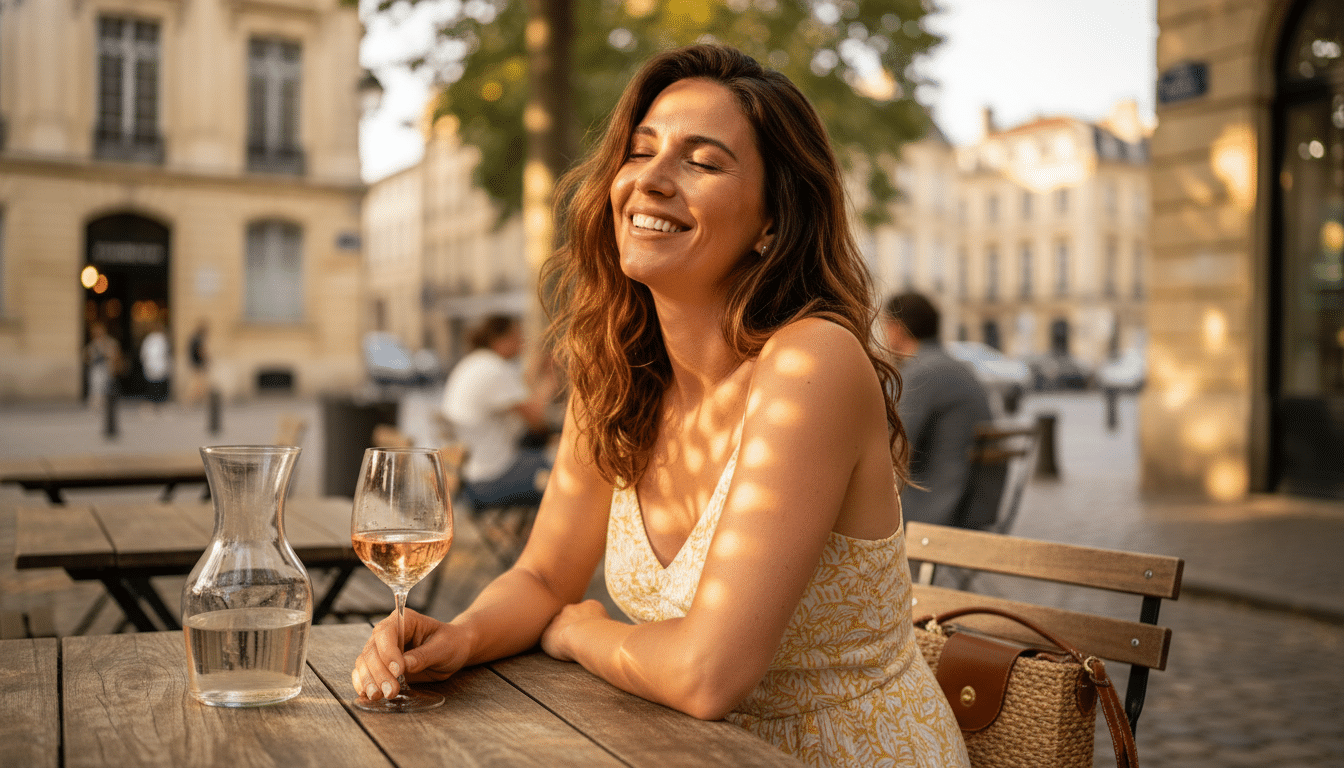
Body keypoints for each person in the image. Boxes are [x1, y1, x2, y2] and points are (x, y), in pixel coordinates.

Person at [355, 45, 969, 767]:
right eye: (640, 152)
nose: (651, 179)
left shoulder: (811, 364)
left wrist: (577, 632)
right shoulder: (619, 375)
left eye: (701, 162)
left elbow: (707, 675)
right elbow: (546, 576)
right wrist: (462, 635)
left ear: (773, 220)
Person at [882, 292, 995, 528]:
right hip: (974, 502)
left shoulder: (922, 372)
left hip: (934, 506)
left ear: (896, 329)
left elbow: (895, 447)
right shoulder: (957, 367)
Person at [441, 315, 555, 508]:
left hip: (468, 477)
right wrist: (552, 378)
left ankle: (525, 532)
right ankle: (543, 536)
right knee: (561, 471)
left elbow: (521, 397)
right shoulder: (492, 368)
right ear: (501, 339)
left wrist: (537, 369)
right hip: (489, 480)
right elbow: (536, 419)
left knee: (541, 455)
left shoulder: (476, 363)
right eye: (518, 336)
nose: (522, 342)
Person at [84, 321, 121, 410]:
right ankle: (96, 403)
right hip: (96, 368)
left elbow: (115, 354)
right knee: (95, 386)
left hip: (107, 368)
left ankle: (106, 403)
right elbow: (86, 355)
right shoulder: (93, 344)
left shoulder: (110, 342)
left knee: (107, 386)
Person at [139, 319, 171, 407]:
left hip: (154, 365)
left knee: (154, 385)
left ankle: (154, 402)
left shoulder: (150, 339)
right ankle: (157, 402)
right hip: (156, 365)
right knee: (157, 385)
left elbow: (143, 354)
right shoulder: (160, 338)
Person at [186, 320, 210, 404]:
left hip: (196, 364)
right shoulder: (198, 339)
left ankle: (202, 401)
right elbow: (201, 352)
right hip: (198, 365)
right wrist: (206, 360)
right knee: (195, 385)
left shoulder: (194, 338)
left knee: (201, 385)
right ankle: (188, 402)